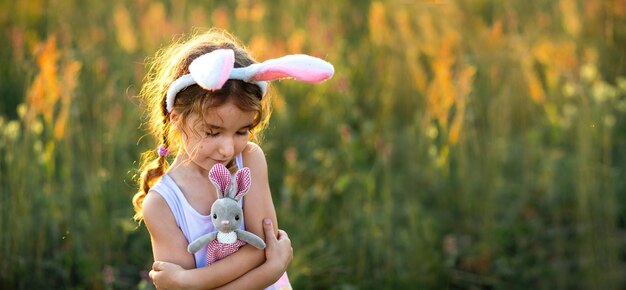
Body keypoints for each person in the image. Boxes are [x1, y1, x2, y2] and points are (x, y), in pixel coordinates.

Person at [131, 28, 333, 289]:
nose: (228, 149)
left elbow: (262, 247)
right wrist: (271, 270)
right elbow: (266, 257)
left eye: (242, 131)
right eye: (212, 132)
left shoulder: (249, 161)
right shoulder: (162, 205)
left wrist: (188, 281)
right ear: (177, 119)